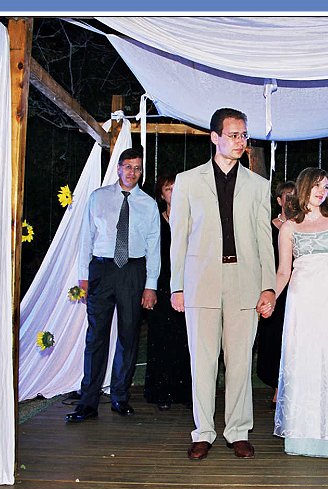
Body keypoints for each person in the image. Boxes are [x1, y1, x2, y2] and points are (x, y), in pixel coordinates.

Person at [170, 108, 276, 460]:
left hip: (244, 282)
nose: (240, 141)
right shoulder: (187, 181)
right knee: (202, 362)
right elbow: (178, 239)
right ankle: (203, 431)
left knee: (240, 362)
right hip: (200, 281)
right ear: (215, 137)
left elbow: (264, 241)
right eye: (233, 135)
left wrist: (268, 286)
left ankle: (238, 430)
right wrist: (176, 286)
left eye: (244, 135)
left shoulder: (259, 185)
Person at [67, 148, 160, 422]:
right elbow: (86, 237)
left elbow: (154, 247)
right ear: (118, 168)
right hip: (102, 270)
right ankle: (88, 402)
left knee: (129, 335)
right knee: (96, 336)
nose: (132, 172)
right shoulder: (98, 198)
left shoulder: (148, 204)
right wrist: (83, 276)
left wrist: (151, 285)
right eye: (128, 167)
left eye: (138, 168)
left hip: (133, 271)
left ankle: (120, 395)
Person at [272, 167, 328, 457]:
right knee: (301, 362)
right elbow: (283, 271)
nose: (322, 191)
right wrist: (270, 297)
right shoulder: (288, 228)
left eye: (326, 186)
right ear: (303, 187)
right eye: (317, 185)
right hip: (302, 303)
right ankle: (298, 435)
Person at [143, 174, 192, 411]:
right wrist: (149, 286)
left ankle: (186, 392)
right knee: (161, 338)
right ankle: (161, 392)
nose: (173, 192)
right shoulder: (155, 219)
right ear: (161, 195)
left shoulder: (191, 219)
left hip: (187, 283)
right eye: (168, 189)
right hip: (161, 283)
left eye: (176, 188)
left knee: (185, 339)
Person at [254, 181, 297, 407]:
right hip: (273, 288)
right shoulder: (267, 226)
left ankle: (286, 389)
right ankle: (276, 385)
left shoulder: (302, 226)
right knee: (271, 338)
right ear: (279, 200)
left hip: (297, 290)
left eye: (295, 196)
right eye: (287, 196)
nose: (291, 200)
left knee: (293, 339)